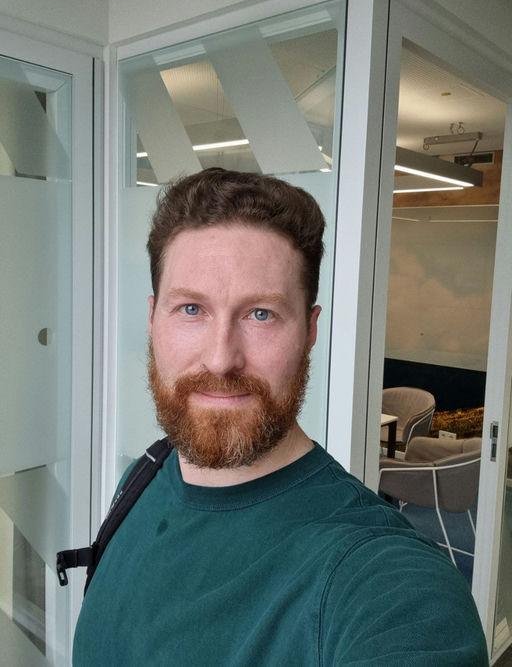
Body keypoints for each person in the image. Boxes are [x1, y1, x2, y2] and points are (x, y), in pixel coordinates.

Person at [73, 168, 488, 665]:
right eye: (191, 309)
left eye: (261, 314)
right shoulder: (141, 479)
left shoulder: (381, 580)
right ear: (152, 317)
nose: (221, 359)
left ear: (310, 331)